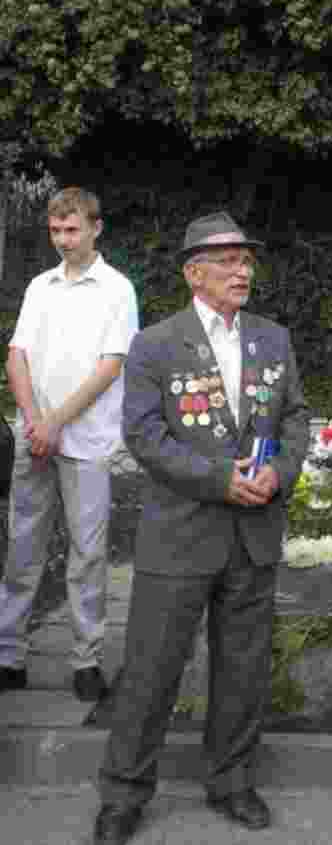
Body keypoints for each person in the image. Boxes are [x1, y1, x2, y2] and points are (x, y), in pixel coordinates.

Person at [93, 213, 310, 845]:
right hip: (180, 534)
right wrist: (219, 479)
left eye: (247, 261)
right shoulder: (155, 343)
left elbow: (295, 420)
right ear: (194, 273)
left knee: (243, 669)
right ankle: (124, 793)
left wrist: (278, 474)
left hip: (253, 532)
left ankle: (232, 781)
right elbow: (143, 435)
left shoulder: (272, 338)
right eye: (228, 261)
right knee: (152, 670)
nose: (243, 271)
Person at [0, 186, 138, 701]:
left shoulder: (117, 290)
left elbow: (111, 366)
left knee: (87, 554)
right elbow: (17, 355)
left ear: (96, 228)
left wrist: (57, 421)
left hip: (88, 441)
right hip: (35, 438)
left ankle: (86, 659)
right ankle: (8, 655)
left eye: (72, 229)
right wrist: (36, 423)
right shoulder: (41, 287)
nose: (63, 239)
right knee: (23, 549)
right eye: (56, 230)